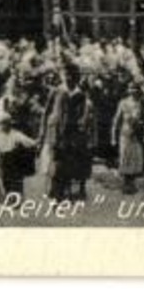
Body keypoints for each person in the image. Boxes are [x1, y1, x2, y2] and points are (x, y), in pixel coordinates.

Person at [44, 67, 95, 202]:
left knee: (67, 162)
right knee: (55, 160)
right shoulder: (56, 91)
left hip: (72, 133)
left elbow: (82, 114)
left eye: (72, 77)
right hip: (56, 130)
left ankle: (64, 190)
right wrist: (43, 133)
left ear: (77, 78)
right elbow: (46, 112)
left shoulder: (80, 95)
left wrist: (81, 128)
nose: (69, 79)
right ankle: (54, 190)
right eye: (67, 76)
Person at [0, 87, 41, 200]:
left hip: (8, 150)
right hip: (8, 150)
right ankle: (15, 195)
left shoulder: (8, 124)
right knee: (13, 176)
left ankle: (13, 195)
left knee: (11, 176)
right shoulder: (5, 119)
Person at [112, 83, 144, 195]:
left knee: (135, 157)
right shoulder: (123, 103)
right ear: (128, 90)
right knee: (125, 156)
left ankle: (132, 183)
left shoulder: (141, 103)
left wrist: (141, 124)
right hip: (125, 132)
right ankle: (126, 183)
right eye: (131, 88)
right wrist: (113, 135)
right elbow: (117, 119)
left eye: (136, 89)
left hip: (137, 133)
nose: (133, 91)